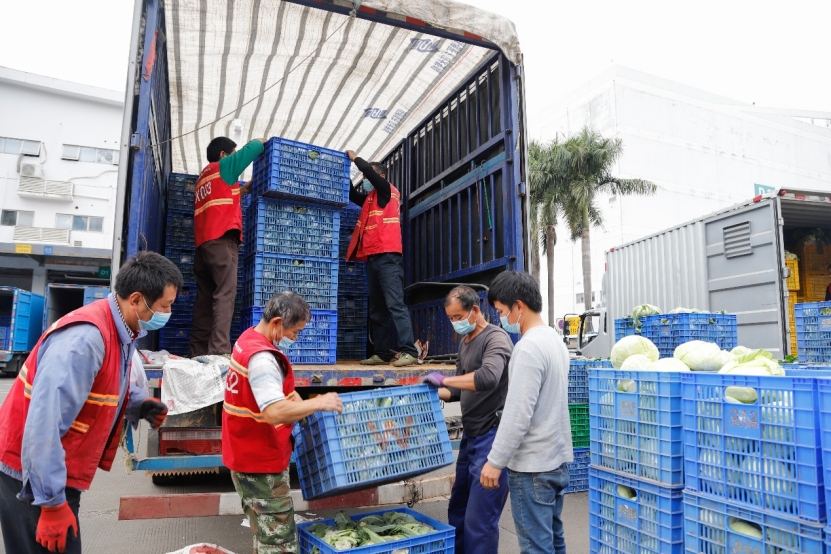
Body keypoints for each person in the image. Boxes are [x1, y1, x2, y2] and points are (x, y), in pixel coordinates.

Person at [0, 251, 181, 554]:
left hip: (54, 470)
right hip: (31, 477)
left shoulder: (120, 328)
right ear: (136, 299)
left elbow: (106, 384)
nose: (168, 313)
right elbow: (43, 426)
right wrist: (51, 504)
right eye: (165, 306)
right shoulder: (86, 340)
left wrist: (138, 404)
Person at [223, 291, 343, 553]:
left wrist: (302, 406)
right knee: (278, 544)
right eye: (295, 332)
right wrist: (319, 402)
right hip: (259, 463)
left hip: (245, 455)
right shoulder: (263, 359)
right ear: (276, 323)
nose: (295, 338)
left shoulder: (248, 339)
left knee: (263, 535)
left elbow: (282, 395)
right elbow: (274, 412)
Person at [479, 271, 572, 554]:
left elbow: (518, 414)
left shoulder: (528, 347)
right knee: (554, 543)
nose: (500, 319)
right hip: (556, 462)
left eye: (502, 311)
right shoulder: (555, 341)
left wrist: (495, 461)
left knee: (536, 549)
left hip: (532, 468)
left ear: (519, 306)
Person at [422, 286, 512, 554]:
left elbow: (487, 378)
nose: (455, 323)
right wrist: (428, 391)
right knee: (458, 510)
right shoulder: (465, 342)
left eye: (458, 316)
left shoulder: (496, 339)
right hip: (470, 438)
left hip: (491, 438)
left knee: (479, 520)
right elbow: (459, 390)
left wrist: (446, 378)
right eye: (450, 318)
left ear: (475, 310)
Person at [190, 136, 266, 357]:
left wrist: (244, 190)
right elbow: (253, 148)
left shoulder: (203, 179)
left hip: (202, 245)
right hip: (222, 240)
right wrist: (261, 141)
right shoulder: (223, 165)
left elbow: (223, 197)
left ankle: (197, 351)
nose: (234, 156)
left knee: (204, 299)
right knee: (225, 294)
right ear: (224, 155)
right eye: (232, 152)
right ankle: (219, 349)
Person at [344, 149, 417, 368]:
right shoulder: (370, 199)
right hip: (373, 259)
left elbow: (368, 171)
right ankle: (382, 353)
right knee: (377, 309)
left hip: (389, 258)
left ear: (380, 176)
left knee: (395, 305)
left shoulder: (387, 191)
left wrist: (354, 158)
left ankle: (409, 351)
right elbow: (351, 195)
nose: (365, 181)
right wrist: (342, 170)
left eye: (368, 177)